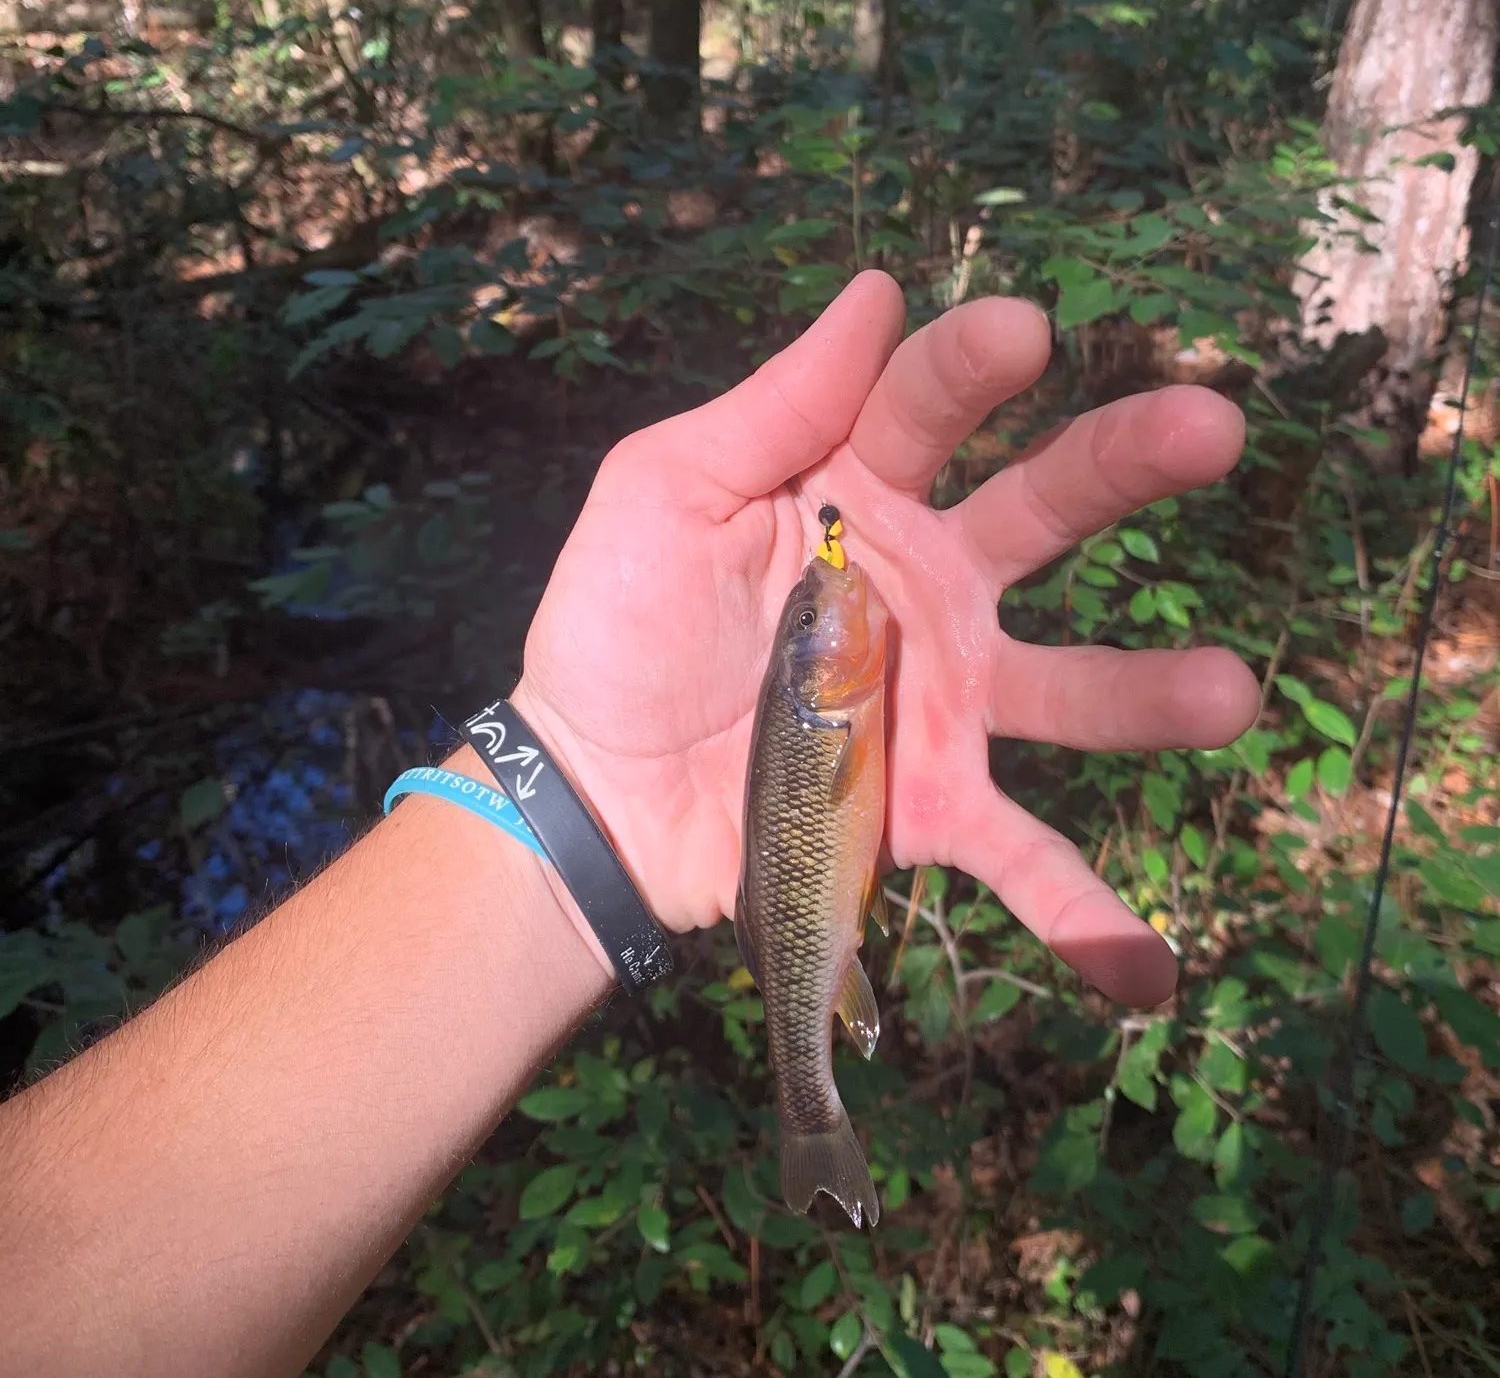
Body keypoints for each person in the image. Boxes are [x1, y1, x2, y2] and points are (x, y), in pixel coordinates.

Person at [0, 273, 1259, 1378]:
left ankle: (811, 1093)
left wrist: (569, 797)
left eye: (813, 617)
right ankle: (811, 1107)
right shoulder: (824, 694)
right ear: (811, 671)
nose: (829, 607)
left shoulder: (834, 692)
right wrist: (583, 765)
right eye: (812, 622)